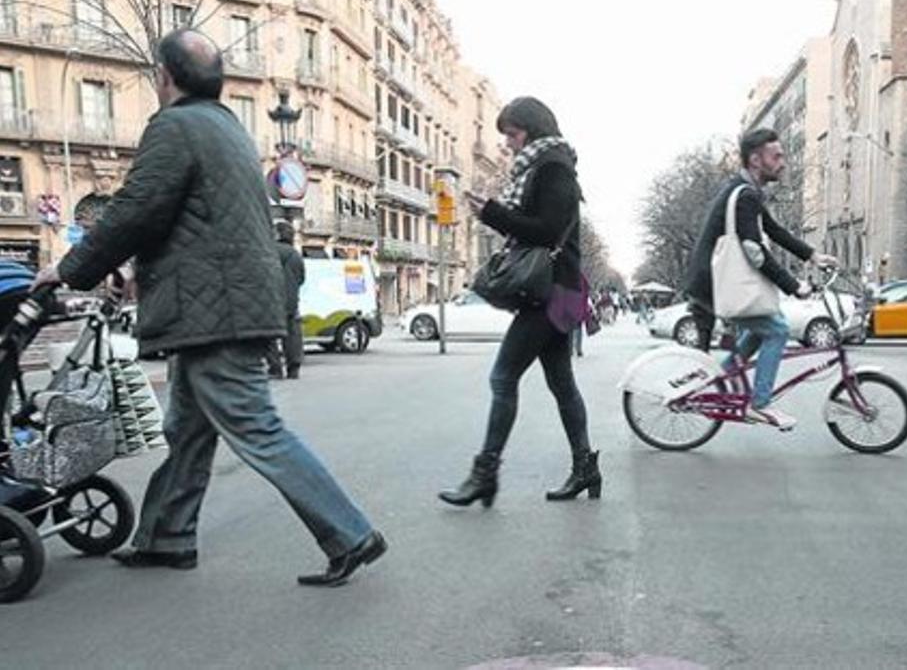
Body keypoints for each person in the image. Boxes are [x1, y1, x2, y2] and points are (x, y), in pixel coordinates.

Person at [33, 29, 385, 587]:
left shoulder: (175, 126)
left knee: (256, 426)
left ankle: (349, 533)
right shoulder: (227, 129)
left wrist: (72, 267)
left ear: (164, 77)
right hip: (224, 304)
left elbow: (138, 209)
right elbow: (185, 223)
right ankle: (166, 537)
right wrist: (132, 269)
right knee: (189, 429)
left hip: (217, 310)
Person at [438, 96, 600, 507]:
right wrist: (492, 211)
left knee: (503, 377)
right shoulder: (545, 166)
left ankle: (484, 475)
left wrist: (493, 213)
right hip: (556, 292)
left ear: (532, 129)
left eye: (512, 134)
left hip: (550, 292)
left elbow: (546, 231)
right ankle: (585, 468)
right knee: (561, 382)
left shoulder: (553, 168)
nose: (508, 143)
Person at [683, 128, 837, 429]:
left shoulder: (745, 190)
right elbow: (754, 252)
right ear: (756, 160)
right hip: (715, 283)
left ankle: (717, 381)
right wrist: (794, 287)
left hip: (711, 280)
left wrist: (813, 256)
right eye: (776, 156)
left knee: (760, 329)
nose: (782, 162)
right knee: (777, 330)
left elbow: (774, 230)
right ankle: (759, 403)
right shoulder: (744, 196)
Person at [267, 221, 305, 380]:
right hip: (291, 301)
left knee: (269, 336)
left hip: (272, 299)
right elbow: (301, 278)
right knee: (292, 336)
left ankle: (275, 368)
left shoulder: (270, 251)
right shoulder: (296, 255)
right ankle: (293, 368)